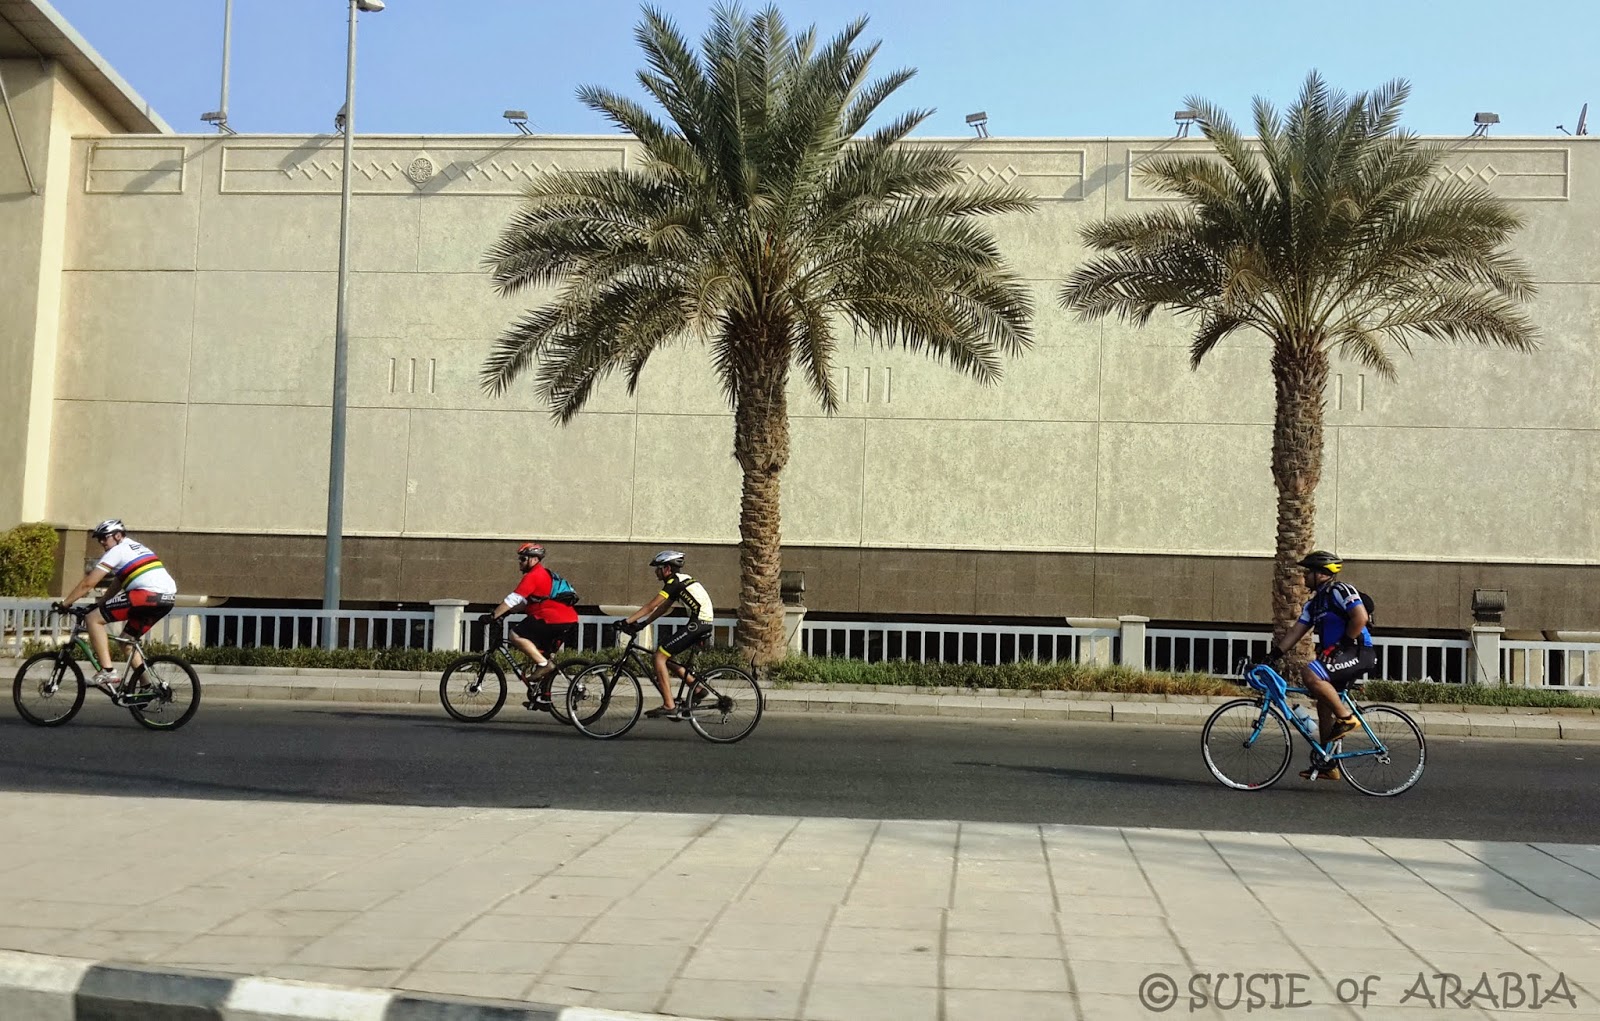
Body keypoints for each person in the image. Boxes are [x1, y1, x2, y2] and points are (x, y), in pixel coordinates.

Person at [1271, 550, 1377, 781]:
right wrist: (1273, 655)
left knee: (1310, 673)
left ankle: (1347, 718)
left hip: (1358, 651)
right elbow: (1296, 632)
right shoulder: (1314, 604)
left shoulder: (1341, 590)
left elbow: (1360, 618)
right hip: (1339, 653)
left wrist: (1343, 644)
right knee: (1323, 706)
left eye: (1308, 571)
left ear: (1321, 574)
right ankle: (1329, 764)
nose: (1305, 576)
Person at [53, 519, 178, 693]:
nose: (102, 542)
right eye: (100, 539)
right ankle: (147, 687)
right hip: (166, 599)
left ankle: (108, 671)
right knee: (127, 642)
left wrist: (65, 603)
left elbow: (88, 583)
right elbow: (119, 580)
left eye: (105, 538)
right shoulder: (135, 547)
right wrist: (102, 602)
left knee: (93, 620)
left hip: (146, 595)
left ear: (118, 535)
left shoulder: (116, 551)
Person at [479, 542, 579, 709]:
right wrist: (506, 613)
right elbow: (525, 603)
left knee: (515, 635)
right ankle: (544, 698)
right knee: (545, 656)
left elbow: (513, 599)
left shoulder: (534, 575)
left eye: (523, 558)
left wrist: (492, 615)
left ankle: (543, 665)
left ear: (534, 559)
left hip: (552, 618)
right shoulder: (543, 575)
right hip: (566, 620)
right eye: (519, 558)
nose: (520, 562)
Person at [616, 550, 714, 720]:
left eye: (658, 568)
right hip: (700, 623)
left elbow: (650, 606)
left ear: (667, 568)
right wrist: (644, 624)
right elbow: (662, 608)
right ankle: (697, 689)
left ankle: (669, 705)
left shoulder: (674, 583)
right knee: (665, 657)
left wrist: (627, 621)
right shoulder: (680, 582)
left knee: (658, 657)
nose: (656, 572)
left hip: (698, 623)